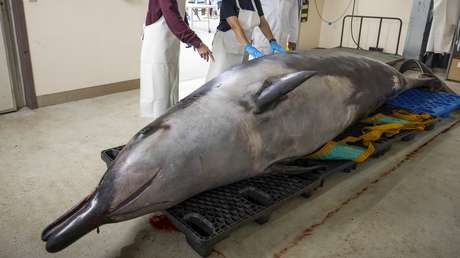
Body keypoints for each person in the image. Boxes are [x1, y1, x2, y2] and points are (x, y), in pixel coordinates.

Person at [141, 0, 213, 118]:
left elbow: (178, 13)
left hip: (167, 37)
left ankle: (167, 122)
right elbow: (171, 15)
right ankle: (160, 126)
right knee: (160, 88)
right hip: (158, 39)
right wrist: (197, 42)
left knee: (170, 82)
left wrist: (189, 35)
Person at [205, 0, 286, 81]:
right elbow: (234, 25)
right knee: (218, 79)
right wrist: (248, 47)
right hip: (226, 46)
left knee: (237, 79)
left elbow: (262, 21)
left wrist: (272, 40)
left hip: (244, 46)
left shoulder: (255, 1)